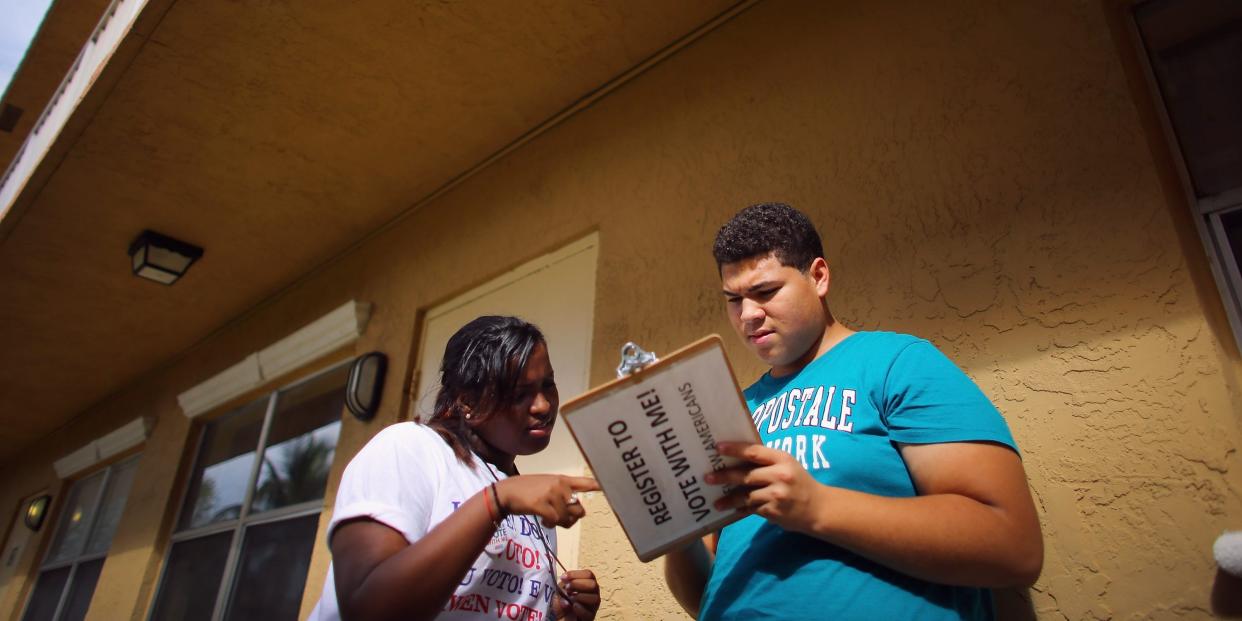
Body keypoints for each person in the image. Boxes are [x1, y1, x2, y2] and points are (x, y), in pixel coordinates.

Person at [663, 203, 1043, 620]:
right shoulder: (731, 410)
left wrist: (817, 508)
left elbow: (1013, 545)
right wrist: (677, 533)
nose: (749, 315)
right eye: (733, 299)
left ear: (819, 277)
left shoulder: (896, 362)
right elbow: (709, 596)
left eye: (766, 292)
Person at [310, 315, 602, 621]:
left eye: (548, 385)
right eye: (519, 394)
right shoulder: (408, 449)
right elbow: (366, 609)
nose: (543, 406)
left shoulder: (523, 497)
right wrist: (496, 501)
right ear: (468, 403)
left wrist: (556, 613)